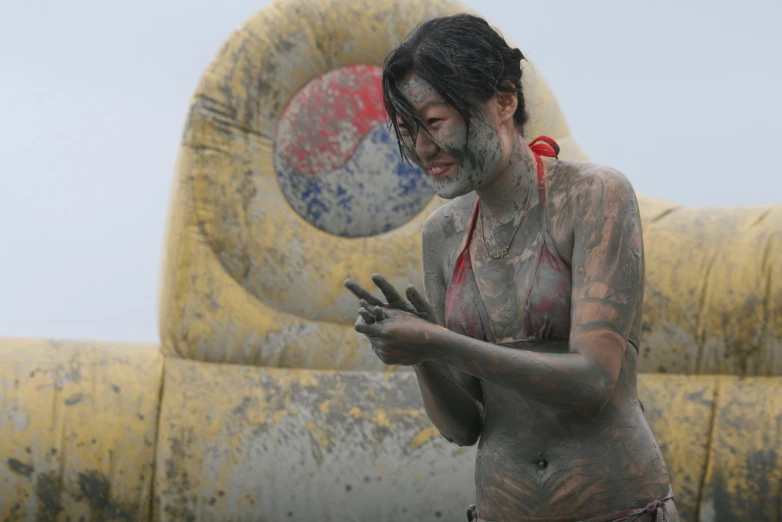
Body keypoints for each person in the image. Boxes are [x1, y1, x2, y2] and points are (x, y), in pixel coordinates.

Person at [344, 13, 678, 522]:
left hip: (617, 508)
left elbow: (591, 382)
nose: (423, 149)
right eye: (410, 131)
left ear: (504, 100)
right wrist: (419, 357)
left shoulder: (593, 196)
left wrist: (437, 341)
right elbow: (464, 427)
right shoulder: (443, 235)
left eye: (434, 122)